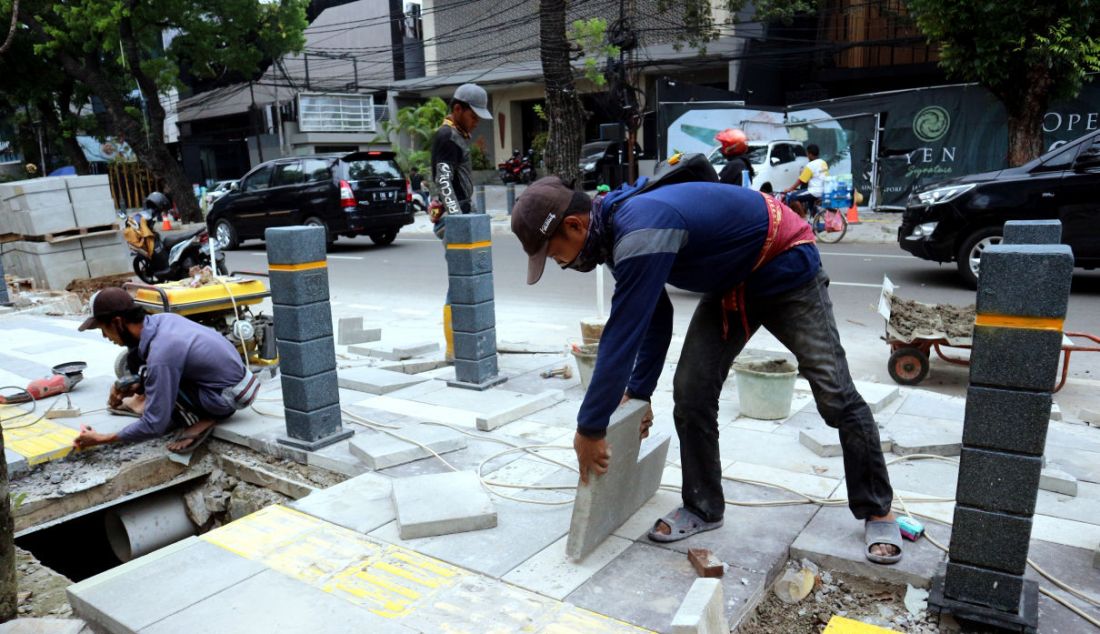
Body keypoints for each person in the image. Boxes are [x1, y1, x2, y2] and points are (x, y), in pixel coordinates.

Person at [510, 170, 903, 565]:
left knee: (834, 392)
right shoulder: (611, 235)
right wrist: (640, 392)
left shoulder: (639, 229)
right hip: (732, 281)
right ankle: (703, 506)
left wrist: (590, 427)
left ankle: (877, 509)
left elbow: (622, 332)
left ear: (574, 225)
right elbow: (654, 314)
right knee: (693, 389)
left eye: (553, 254)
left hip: (786, 267)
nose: (559, 263)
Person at [72, 288, 259, 453]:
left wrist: (103, 439)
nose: (105, 336)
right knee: (144, 367)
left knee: (159, 396)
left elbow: (155, 424)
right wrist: (137, 385)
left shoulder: (162, 351)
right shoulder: (163, 320)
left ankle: (203, 419)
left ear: (117, 322)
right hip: (239, 383)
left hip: (227, 399)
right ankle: (145, 401)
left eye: (103, 329)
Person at [429, 83, 491, 359]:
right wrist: (459, 221)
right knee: (460, 283)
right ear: (457, 109)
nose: (477, 121)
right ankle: (454, 349)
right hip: (454, 223)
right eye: (473, 115)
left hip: (463, 219)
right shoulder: (446, 136)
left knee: (466, 281)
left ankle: (462, 343)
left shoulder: (457, 135)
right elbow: (444, 183)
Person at [783, 143, 829, 218]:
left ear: (810, 154)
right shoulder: (823, 162)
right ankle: (814, 222)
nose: (807, 156)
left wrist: (790, 189)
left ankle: (803, 219)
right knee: (809, 201)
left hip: (815, 191)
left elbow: (801, 180)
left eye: (807, 154)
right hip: (824, 190)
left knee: (791, 197)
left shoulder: (810, 165)